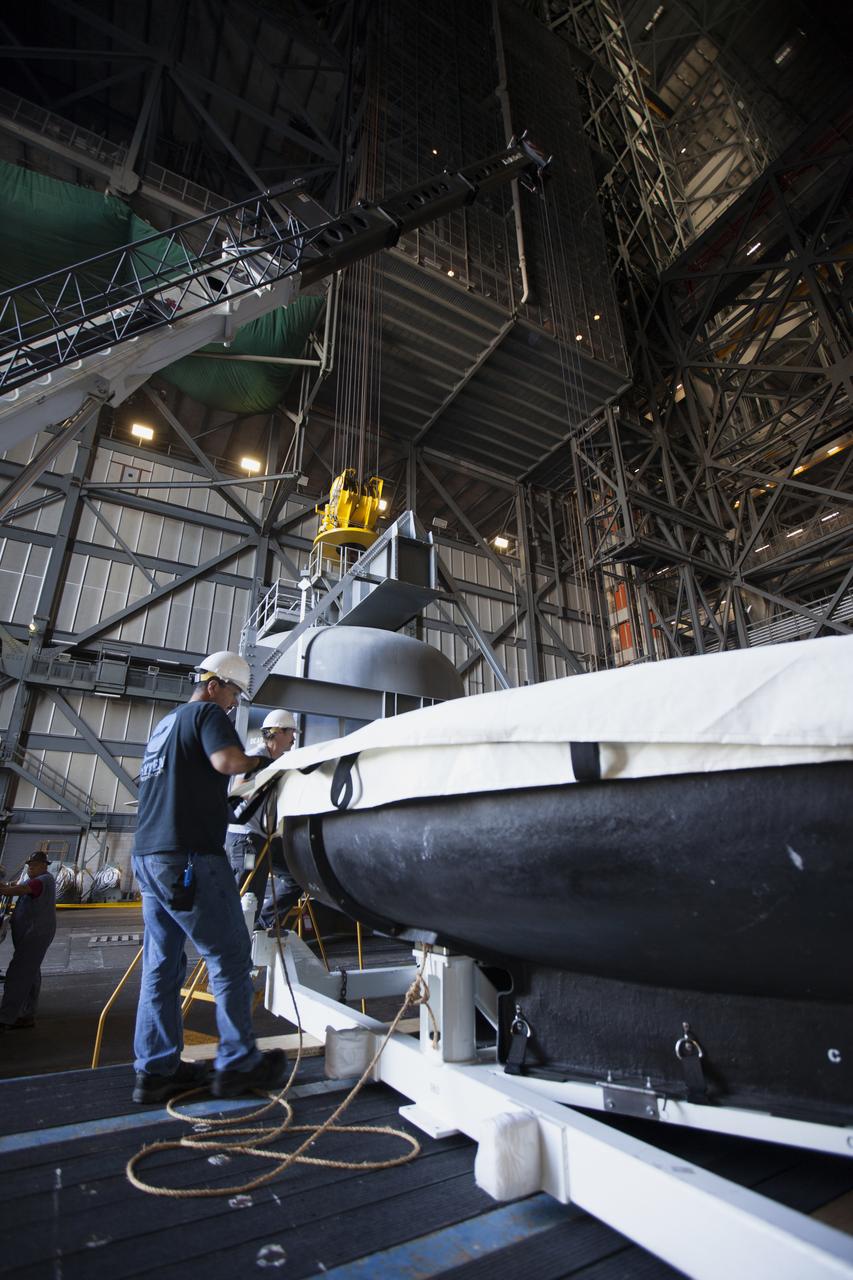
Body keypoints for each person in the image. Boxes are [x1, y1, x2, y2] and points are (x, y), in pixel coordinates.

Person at [131, 650, 289, 1104]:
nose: (234, 704)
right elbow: (226, 762)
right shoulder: (206, 712)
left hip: (150, 854)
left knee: (161, 965)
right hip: (188, 856)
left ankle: (155, 1071)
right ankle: (239, 1063)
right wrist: (264, 763)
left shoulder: (165, 726)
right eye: (235, 694)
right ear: (215, 684)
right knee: (231, 955)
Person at [225, 709, 295, 920]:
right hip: (245, 838)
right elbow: (239, 789)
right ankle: (237, 937)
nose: (294, 737)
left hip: (264, 836)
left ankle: (264, 924)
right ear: (278, 732)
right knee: (247, 892)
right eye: (291, 732)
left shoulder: (280, 762)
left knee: (295, 877)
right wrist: (266, 781)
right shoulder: (256, 757)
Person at [0, 851, 57, 1030]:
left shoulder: (43, 880)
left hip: (35, 934)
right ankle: (27, 1015)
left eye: (34, 865)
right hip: (31, 934)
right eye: (29, 865)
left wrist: (3, 888)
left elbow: (20, 889)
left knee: (18, 975)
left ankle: (6, 1017)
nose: (30, 867)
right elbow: (16, 886)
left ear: (44, 866)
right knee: (31, 974)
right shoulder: (34, 879)